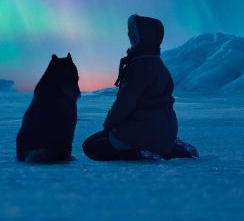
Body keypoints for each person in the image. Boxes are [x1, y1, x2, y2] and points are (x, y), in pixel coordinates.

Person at [82, 14, 197, 161]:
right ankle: (172, 148)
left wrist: (109, 123)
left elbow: (125, 104)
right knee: (103, 139)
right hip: (167, 129)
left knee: (91, 146)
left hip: (143, 129)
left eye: (133, 33)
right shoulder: (159, 65)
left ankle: (141, 153)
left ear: (141, 37)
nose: (130, 36)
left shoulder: (138, 66)